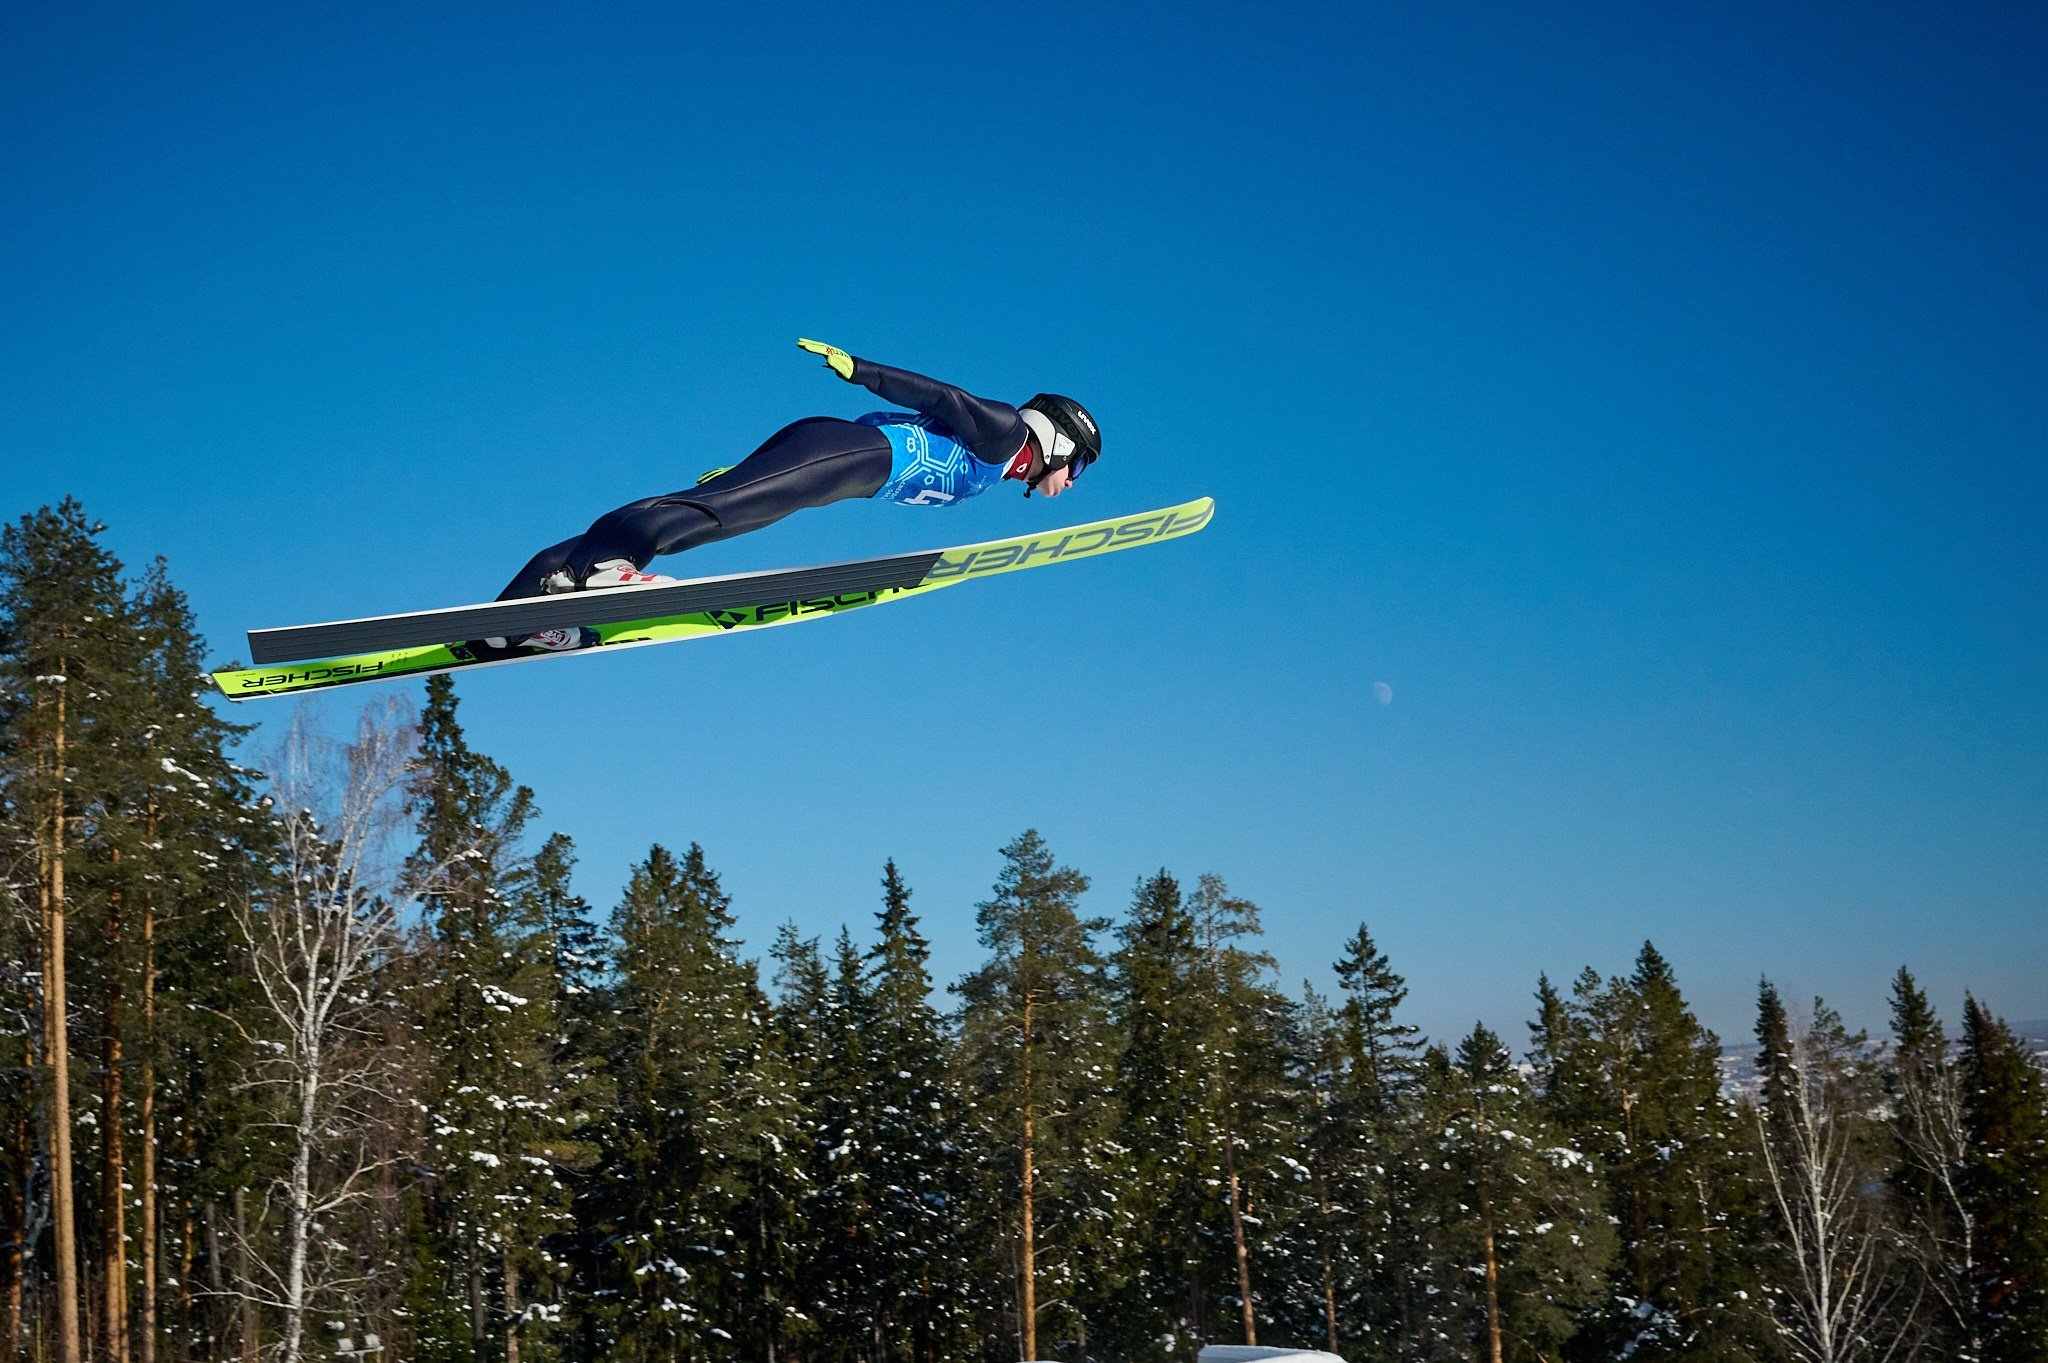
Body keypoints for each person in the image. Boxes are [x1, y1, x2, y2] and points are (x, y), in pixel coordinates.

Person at [476, 339, 1101, 656]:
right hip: (840, 456)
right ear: (1062, 444)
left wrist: (751, 469)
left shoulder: (1003, 463)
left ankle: (517, 615)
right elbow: (945, 399)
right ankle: (603, 575)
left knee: (704, 521)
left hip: (831, 460)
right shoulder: (1008, 432)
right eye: (1076, 468)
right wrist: (862, 368)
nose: (1069, 484)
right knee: (709, 512)